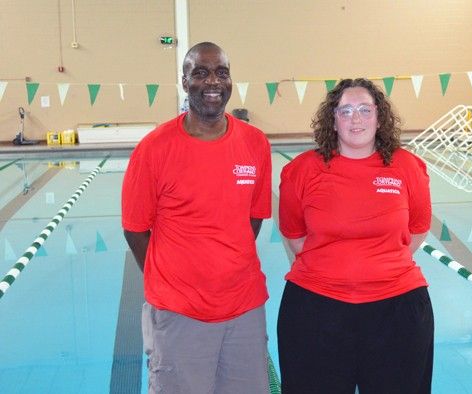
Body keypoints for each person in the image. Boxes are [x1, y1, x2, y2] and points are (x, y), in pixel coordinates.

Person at [121, 42, 272, 394]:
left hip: (244, 308)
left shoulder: (254, 143)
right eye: (200, 73)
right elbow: (135, 229)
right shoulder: (154, 148)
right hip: (180, 312)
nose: (212, 82)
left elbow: (253, 218)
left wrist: (226, 262)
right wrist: (173, 278)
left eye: (221, 72)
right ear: (184, 81)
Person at [277, 78, 434, 394]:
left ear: (380, 117)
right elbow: (294, 236)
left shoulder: (407, 167)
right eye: (345, 111)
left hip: (397, 310)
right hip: (316, 311)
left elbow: (417, 230)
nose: (356, 118)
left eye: (365, 109)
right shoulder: (302, 170)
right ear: (332, 120)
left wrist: (378, 268)